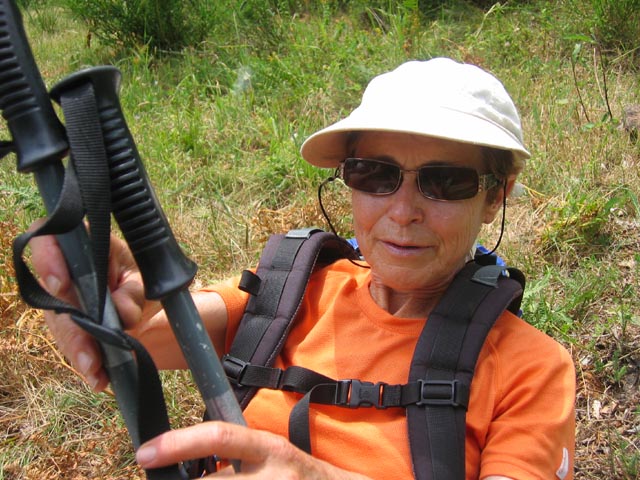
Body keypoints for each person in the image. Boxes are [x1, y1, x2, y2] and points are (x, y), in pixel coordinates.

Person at [31, 58, 575, 479]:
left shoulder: (532, 370)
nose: (403, 211)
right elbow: (125, 346)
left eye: (446, 182)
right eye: (374, 174)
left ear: (495, 196)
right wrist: (105, 300)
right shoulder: (289, 294)